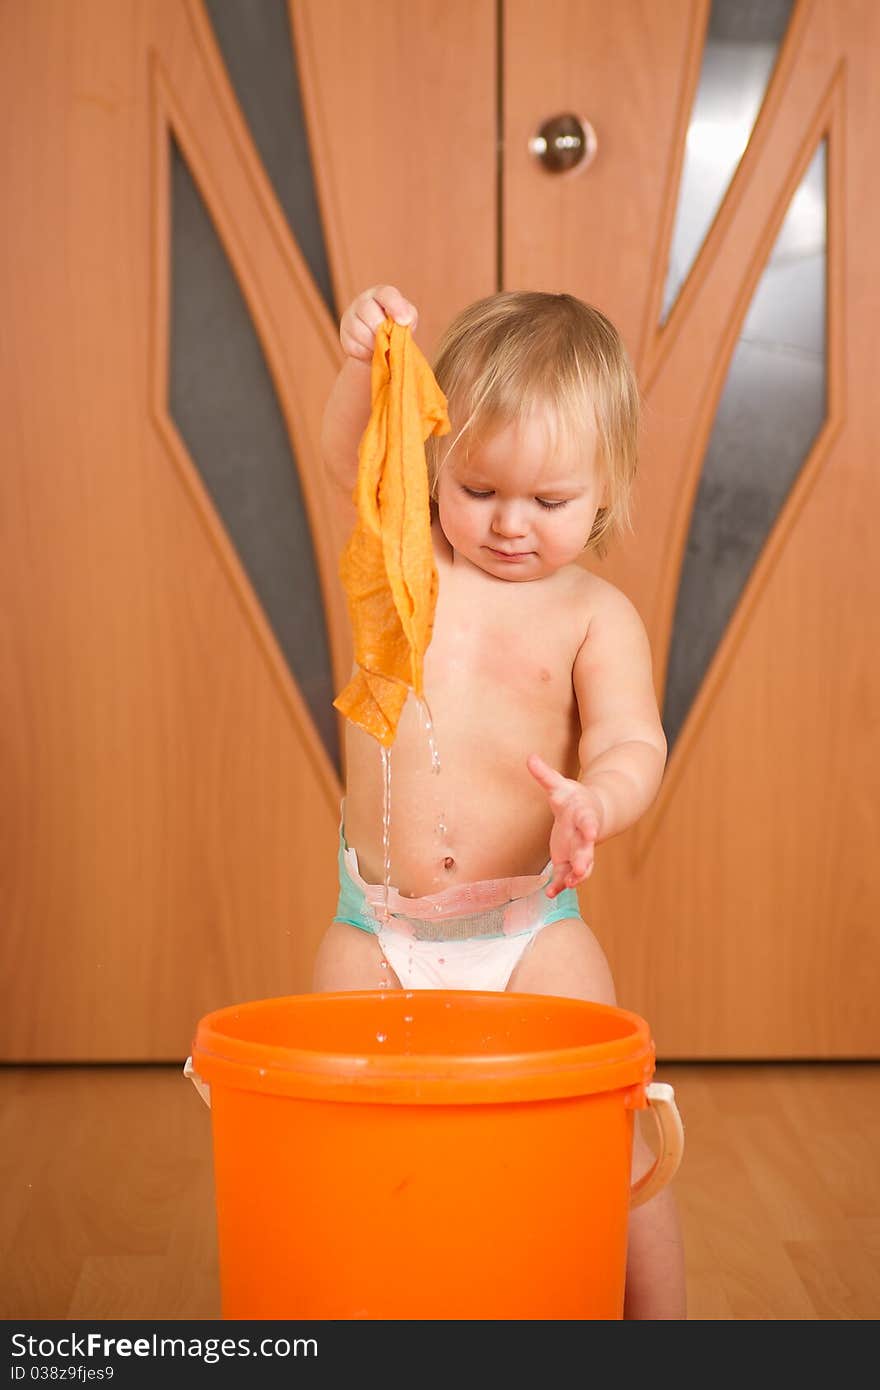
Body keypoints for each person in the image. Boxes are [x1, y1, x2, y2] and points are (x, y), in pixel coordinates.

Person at [314, 283, 686, 1319]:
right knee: (336, 1123)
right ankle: (351, 1311)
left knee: (609, 1126)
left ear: (604, 489)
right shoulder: (403, 563)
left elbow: (630, 741)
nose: (509, 525)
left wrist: (594, 802)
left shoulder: (591, 616)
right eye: (477, 488)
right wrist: (363, 368)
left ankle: (661, 1330)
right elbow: (347, 459)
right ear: (434, 467)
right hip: (374, 928)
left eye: (549, 502)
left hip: (530, 929)